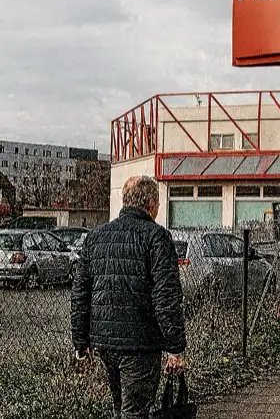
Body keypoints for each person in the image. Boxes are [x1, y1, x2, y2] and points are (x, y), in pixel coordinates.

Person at [72, 176, 187, 419]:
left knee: (121, 407)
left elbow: (81, 292)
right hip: (140, 343)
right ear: (152, 203)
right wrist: (175, 347)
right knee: (135, 411)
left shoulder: (95, 237)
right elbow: (166, 296)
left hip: (105, 341)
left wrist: (80, 341)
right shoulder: (157, 237)